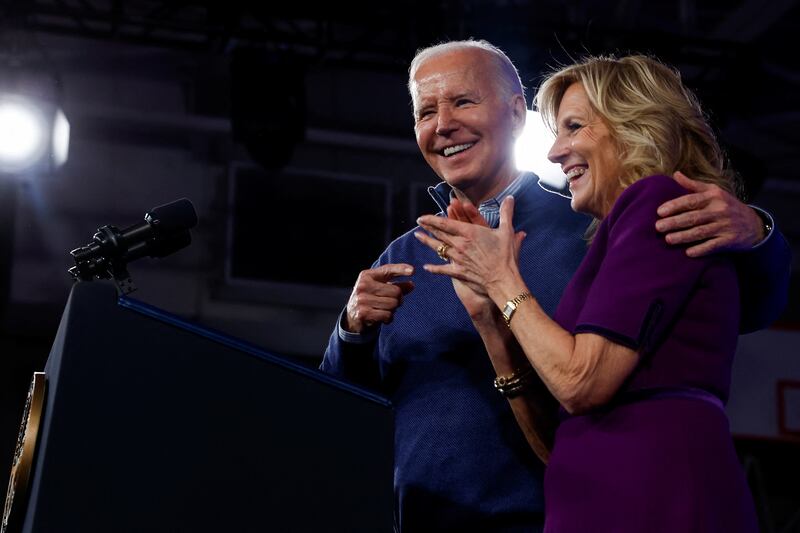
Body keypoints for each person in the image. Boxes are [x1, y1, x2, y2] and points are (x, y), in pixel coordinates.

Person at [321, 40, 790, 532]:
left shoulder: (593, 224)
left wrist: (757, 234)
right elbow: (334, 410)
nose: (443, 125)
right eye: (426, 112)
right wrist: (350, 330)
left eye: (463, 101)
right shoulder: (401, 257)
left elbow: (741, 309)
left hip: (574, 512)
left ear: (517, 113)